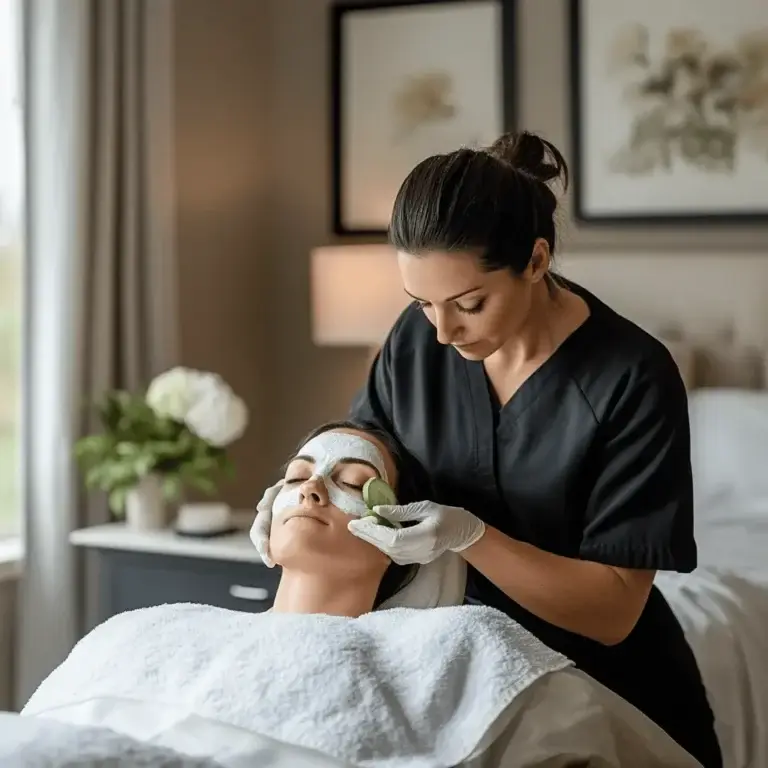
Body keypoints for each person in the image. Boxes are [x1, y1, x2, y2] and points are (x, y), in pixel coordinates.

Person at [254, 132, 721, 767]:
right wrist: (308, 476)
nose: (444, 332)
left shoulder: (631, 377)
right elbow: (375, 444)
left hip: (599, 683)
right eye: (422, 305)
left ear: (535, 260)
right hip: (443, 660)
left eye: (469, 304)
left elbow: (613, 610)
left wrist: (472, 536)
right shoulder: (418, 341)